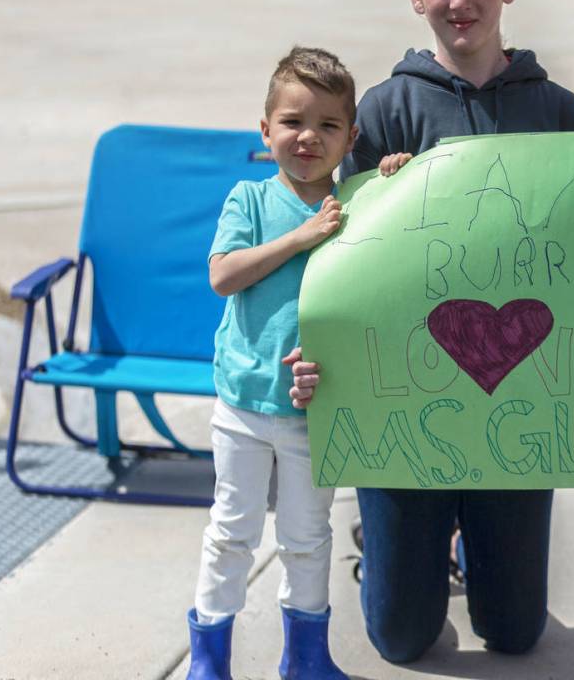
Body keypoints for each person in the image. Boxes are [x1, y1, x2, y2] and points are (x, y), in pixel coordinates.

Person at [288, 0, 574, 665]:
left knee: (514, 633)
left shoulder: (556, 112)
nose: (460, 2)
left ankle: (470, 557)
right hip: (409, 400)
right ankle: (394, 549)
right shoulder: (382, 113)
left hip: (519, 394)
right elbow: (333, 252)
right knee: (400, 639)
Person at [185, 47, 357, 680]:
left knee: (308, 540)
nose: (308, 137)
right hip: (243, 406)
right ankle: (210, 660)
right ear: (265, 130)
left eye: (328, 125)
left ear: (351, 138)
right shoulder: (249, 200)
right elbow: (223, 276)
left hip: (316, 409)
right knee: (232, 533)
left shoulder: (356, 207)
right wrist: (301, 237)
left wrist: (388, 174)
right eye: (292, 121)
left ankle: (306, 660)